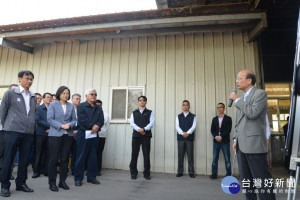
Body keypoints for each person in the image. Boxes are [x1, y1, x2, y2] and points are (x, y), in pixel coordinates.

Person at [230, 69, 275, 200]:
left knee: (262, 181)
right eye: (236, 78)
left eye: (239, 78)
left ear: (249, 80)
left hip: (254, 144)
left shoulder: (260, 94)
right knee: (247, 182)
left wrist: (237, 100)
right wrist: (235, 138)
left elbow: (253, 113)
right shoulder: (242, 98)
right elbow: (238, 122)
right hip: (241, 145)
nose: (237, 81)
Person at [0, 71, 36, 197]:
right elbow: (3, 111)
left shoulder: (33, 96)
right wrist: (8, 126)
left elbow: (32, 113)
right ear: (20, 79)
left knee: (24, 160)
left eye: (31, 79)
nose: (30, 81)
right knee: (8, 159)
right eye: (27, 78)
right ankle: (4, 185)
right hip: (13, 131)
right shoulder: (10, 93)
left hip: (28, 133)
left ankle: (21, 183)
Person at [47, 86, 76, 192]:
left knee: (64, 160)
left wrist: (70, 124)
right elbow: (50, 119)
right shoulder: (53, 104)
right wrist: (61, 126)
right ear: (59, 94)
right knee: (53, 160)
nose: (66, 95)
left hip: (67, 136)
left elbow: (74, 120)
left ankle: (62, 182)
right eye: (64, 93)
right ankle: (52, 183)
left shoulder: (71, 106)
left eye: (67, 93)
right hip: (55, 135)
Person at [74, 89, 104, 186]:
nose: (94, 96)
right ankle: (78, 179)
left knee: (93, 157)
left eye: (95, 94)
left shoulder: (98, 108)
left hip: (94, 135)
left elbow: (101, 120)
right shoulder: (81, 106)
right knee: (81, 157)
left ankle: (91, 177)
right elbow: (82, 121)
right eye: (91, 94)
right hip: (83, 134)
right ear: (86, 95)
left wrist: (97, 126)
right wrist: (93, 126)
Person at [129, 96, 155, 180]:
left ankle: (146, 173)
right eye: (140, 100)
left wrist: (144, 129)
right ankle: (133, 173)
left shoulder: (150, 112)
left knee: (146, 155)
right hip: (136, 136)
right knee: (134, 154)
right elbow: (132, 123)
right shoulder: (134, 112)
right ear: (138, 102)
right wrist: (139, 130)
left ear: (146, 102)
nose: (142, 102)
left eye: (144, 100)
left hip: (146, 136)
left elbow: (152, 123)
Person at [0, 84, 18, 183]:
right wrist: (5, 126)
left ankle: (8, 173)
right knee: (2, 152)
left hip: (14, 131)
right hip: (3, 130)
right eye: (13, 90)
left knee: (11, 153)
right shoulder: (2, 102)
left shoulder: (19, 104)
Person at [209, 103, 232, 179]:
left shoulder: (228, 118)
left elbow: (228, 130)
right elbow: (212, 129)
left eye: (221, 107)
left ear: (224, 109)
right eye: (218, 107)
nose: (219, 109)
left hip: (224, 141)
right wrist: (216, 136)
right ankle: (214, 174)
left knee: (227, 159)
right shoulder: (214, 119)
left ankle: (228, 175)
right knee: (215, 159)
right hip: (216, 141)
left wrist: (221, 136)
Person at [32, 92, 52, 178]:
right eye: (47, 97)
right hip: (40, 133)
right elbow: (38, 120)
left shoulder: (53, 108)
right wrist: (49, 126)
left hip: (51, 133)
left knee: (48, 152)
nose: (49, 99)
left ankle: (46, 170)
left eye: (50, 97)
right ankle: (36, 171)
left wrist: (52, 128)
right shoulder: (39, 108)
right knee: (39, 153)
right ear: (43, 99)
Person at [175, 100, 197, 178]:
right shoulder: (178, 116)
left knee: (190, 155)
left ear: (189, 106)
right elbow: (177, 126)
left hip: (189, 138)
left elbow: (194, 126)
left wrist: (187, 133)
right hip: (181, 138)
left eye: (186, 105)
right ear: (182, 106)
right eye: (183, 105)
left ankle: (191, 172)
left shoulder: (193, 116)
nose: (185, 106)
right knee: (180, 155)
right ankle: (180, 171)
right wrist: (182, 133)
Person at [95, 99, 110, 176]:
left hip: (101, 136)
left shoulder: (105, 114)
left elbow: (107, 126)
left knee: (99, 153)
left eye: (99, 105)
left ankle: (98, 170)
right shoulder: (92, 113)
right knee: (92, 153)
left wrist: (102, 132)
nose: (98, 106)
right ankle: (90, 169)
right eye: (96, 105)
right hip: (92, 135)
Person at [70, 94, 81, 175]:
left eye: (79, 99)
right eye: (77, 99)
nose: (78, 100)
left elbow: (83, 121)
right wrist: (71, 131)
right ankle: (65, 169)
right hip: (68, 132)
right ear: (72, 99)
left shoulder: (81, 109)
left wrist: (77, 131)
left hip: (78, 132)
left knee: (76, 152)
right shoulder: (68, 108)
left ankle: (74, 169)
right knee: (65, 152)